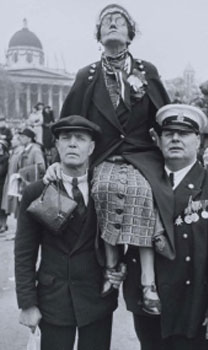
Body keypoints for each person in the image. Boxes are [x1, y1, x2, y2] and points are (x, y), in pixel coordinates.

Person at [46, 3, 174, 315]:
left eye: (119, 22)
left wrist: (179, 153)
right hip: (103, 156)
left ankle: (148, 281)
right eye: (107, 22)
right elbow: (68, 122)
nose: (113, 25)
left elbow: (165, 119)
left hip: (143, 156)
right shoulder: (86, 76)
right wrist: (57, 161)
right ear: (99, 36)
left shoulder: (148, 71)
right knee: (101, 189)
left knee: (144, 193)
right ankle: (112, 268)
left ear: (131, 35)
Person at [123, 104, 208, 350]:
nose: (176, 139)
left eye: (184, 133)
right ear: (158, 140)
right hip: (150, 305)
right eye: (169, 133)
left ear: (198, 141)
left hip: (194, 307)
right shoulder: (141, 181)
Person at [15, 115, 126, 350]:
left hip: (97, 298)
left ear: (92, 147)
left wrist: (121, 266)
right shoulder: (37, 192)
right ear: (56, 145)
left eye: (81, 138)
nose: (73, 143)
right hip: (53, 299)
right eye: (66, 138)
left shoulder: (107, 189)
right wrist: (27, 303)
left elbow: (122, 234)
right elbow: (24, 252)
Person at [0, 140, 9, 233]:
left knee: (2, 205)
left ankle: (3, 224)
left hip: (2, 183)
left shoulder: (5, 157)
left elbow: (2, 171)